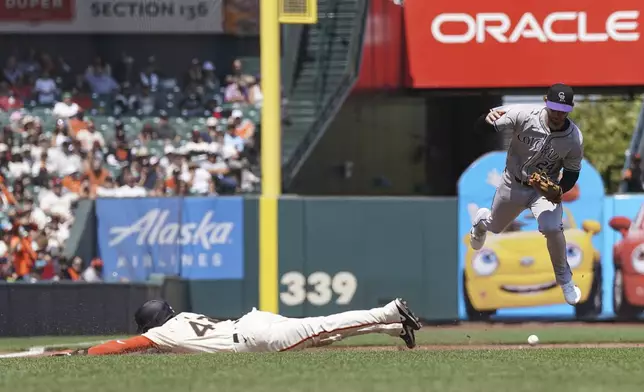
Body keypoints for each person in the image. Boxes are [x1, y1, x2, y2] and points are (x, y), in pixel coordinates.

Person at [470, 83, 583, 306]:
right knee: (494, 227)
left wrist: (560, 190)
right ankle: (481, 222)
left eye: (563, 109)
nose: (558, 113)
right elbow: (480, 129)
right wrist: (486, 120)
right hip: (513, 183)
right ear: (545, 102)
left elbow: (572, 172)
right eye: (554, 108)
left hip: (542, 190)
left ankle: (566, 281)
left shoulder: (573, 138)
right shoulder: (523, 114)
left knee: (553, 228)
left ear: (570, 108)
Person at [71, 298, 421, 355]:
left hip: (254, 337)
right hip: (253, 321)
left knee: (322, 326)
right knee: (322, 335)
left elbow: (122, 346)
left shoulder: (160, 334)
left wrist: (86, 353)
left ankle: (388, 311)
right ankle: (391, 328)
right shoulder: (181, 319)